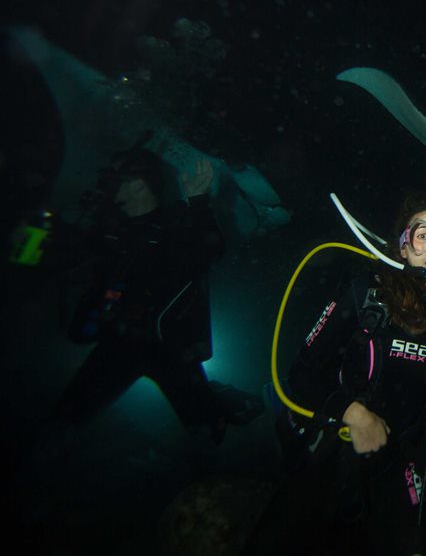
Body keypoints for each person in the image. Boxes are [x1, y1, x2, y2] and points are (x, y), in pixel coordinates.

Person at [247, 191, 426, 556]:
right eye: (423, 235)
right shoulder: (367, 295)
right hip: (339, 447)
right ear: (403, 249)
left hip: (407, 456)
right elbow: (301, 376)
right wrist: (352, 411)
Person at [44, 145, 262, 449]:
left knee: (207, 432)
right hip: (117, 341)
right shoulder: (109, 229)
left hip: (170, 346)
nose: (108, 186)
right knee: (62, 423)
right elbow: (68, 256)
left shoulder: (174, 224)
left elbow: (210, 250)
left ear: (137, 184)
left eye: (116, 179)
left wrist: (198, 202)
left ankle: (222, 419)